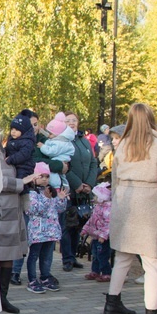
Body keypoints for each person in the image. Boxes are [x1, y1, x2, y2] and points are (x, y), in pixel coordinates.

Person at [103, 103, 157, 314]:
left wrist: (117, 204)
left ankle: (112, 302)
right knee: (152, 262)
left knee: (123, 255)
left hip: (125, 202)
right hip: (149, 203)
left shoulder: (123, 145)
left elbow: (115, 179)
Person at [0, 119, 31, 314]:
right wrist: (21, 182)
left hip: (12, 210)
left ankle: (3, 298)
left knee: (9, 256)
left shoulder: (5, 150)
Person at [61, 111, 99, 271]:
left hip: (84, 190)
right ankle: (67, 258)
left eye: (74, 120)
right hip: (70, 189)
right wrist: (77, 184)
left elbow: (93, 163)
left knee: (78, 225)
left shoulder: (84, 141)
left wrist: (89, 184)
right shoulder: (62, 141)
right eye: (68, 120)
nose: (71, 123)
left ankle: (74, 255)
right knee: (67, 225)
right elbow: (64, 166)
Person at [25, 163, 69, 294]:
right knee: (34, 256)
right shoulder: (31, 193)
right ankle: (32, 280)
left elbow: (59, 209)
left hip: (51, 231)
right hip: (37, 232)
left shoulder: (51, 192)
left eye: (47, 176)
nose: (44, 179)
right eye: (41, 176)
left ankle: (45, 277)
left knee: (47, 256)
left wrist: (61, 199)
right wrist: (45, 198)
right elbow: (35, 210)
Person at [80, 182, 113, 282]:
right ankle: (95, 270)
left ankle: (106, 272)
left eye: (95, 196)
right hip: (95, 236)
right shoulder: (97, 207)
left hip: (102, 238)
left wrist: (103, 236)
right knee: (95, 254)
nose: (93, 198)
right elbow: (91, 220)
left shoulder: (108, 210)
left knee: (102, 255)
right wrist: (85, 229)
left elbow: (108, 225)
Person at [4, 110, 37, 179]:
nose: (13, 131)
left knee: (20, 181)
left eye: (16, 130)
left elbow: (23, 154)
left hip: (24, 167)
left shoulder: (27, 142)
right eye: (12, 129)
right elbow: (8, 149)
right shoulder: (12, 139)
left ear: (24, 131)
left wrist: (10, 159)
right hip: (15, 165)